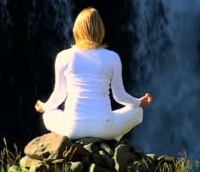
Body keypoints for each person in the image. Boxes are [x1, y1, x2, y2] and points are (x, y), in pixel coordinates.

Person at [34, 7, 152, 141]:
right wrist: (139, 102)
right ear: (100, 29)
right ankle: (110, 143)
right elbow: (120, 96)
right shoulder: (112, 57)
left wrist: (44, 106)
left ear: (76, 30)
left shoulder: (63, 56)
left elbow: (59, 95)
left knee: (48, 114)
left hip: (72, 128)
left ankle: (95, 145)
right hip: (104, 127)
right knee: (137, 111)